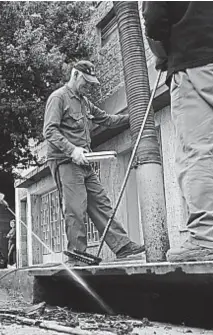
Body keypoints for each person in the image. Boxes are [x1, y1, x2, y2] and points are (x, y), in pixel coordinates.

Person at [143, 2, 213, 262]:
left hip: (195, 64)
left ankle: (206, 238)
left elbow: (154, 20)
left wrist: (163, 55)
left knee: (198, 154)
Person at [43, 60, 145, 267]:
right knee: (76, 207)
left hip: (85, 161)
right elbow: (49, 131)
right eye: (86, 81)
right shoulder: (58, 98)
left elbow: (107, 120)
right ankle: (77, 255)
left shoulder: (84, 102)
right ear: (75, 75)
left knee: (101, 202)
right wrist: (72, 150)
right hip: (65, 161)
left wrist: (134, 116)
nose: (88, 86)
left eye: (91, 83)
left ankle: (122, 246)